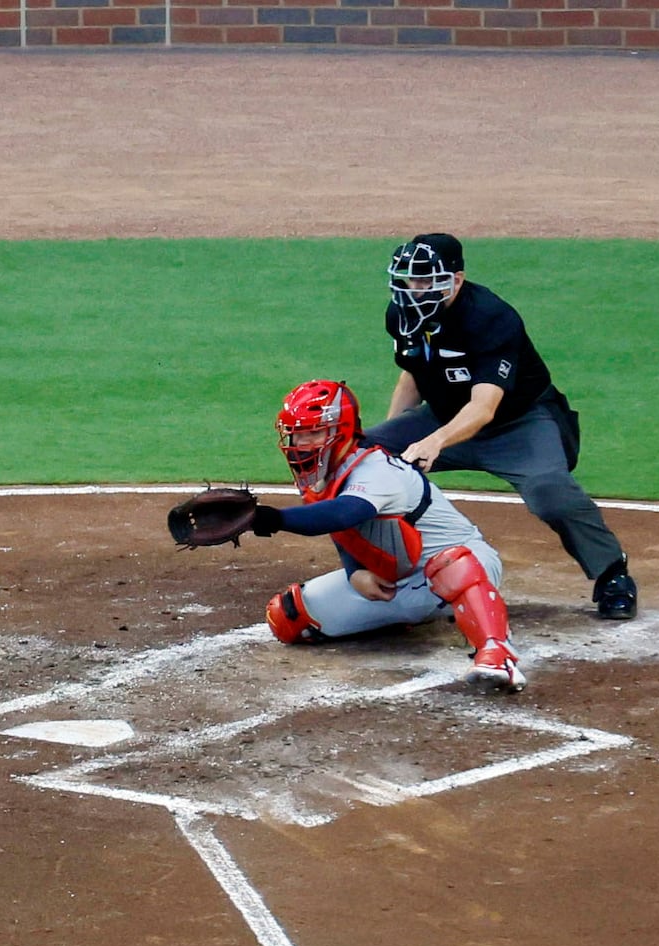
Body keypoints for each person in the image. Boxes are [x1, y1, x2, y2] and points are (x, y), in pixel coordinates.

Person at [365, 233, 637, 620]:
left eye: (427, 281)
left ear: (455, 280)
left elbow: (484, 408)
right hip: (443, 416)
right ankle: (386, 565)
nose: (415, 291)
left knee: (549, 492)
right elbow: (412, 377)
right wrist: (389, 449)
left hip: (518, 424)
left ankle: (612, 575)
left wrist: (434, 442)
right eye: (410, 280)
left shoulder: (490, 317)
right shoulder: (402, 315)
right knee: (366, 457)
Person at [250, 379, 526, 692]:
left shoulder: (376, 469)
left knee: (451, 563)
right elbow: (343, 530)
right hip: (401, 581)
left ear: (341, 431)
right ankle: (406, 614)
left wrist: (268, 518)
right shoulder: (319, 475)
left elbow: (344, 513)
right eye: (297, 432)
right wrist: (355, 572)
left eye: (314, 432)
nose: (302, 441)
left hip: (467, 570)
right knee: (288, 617)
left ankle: (497, 653)